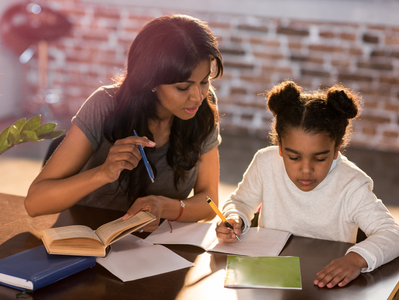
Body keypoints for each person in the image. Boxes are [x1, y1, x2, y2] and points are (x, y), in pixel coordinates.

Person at [24, 14, 224, 232]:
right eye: (183, 87)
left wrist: (166, 207)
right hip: (87, 237)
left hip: (155, 248)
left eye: (205, 81)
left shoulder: (203, 107)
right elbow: (34, 203)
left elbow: (209, 202)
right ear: (151, 81)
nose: (197, 96)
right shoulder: (104, 106)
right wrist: (102, 173)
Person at [216, 80, 399, 288]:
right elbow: (240, 202)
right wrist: (234, 217)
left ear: (337, 148)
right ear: (280, 147)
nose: (306, 169)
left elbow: (392, 233)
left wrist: (356, 259)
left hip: (324, 282)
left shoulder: (351, 184)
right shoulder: (265, 163)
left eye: (320, 159)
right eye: (293, 157)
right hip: (270, 277)